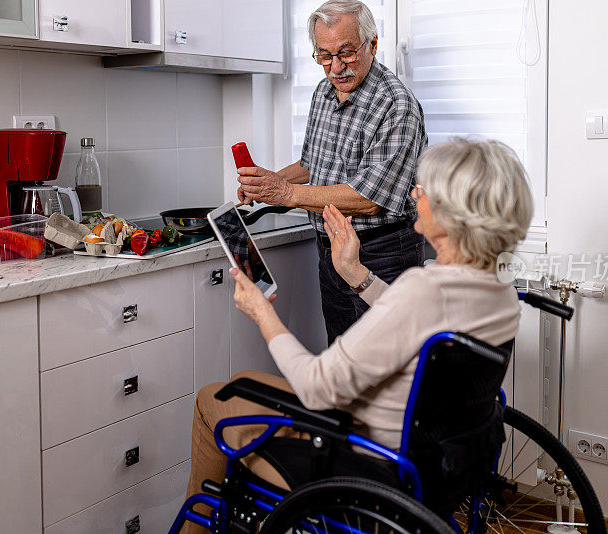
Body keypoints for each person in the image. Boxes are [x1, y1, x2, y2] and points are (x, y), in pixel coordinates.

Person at [182, 138, 535, 533]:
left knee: (211, 399)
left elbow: (317, 387)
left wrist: (263, 313)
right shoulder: (496, 288)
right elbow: (419, 321)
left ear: (454, 213)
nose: (413, 193)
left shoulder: (424, 289)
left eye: (423, 188)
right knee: (240, 383)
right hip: (444, 462)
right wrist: (354, 272)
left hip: (364, 458)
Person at [236, 0, 428, 343]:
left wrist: (284, 193)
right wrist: (265, 183)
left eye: (346, 52)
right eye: (324, 55)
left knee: (383, 369)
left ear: (372, 44)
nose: (336, 67)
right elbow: (311, 165)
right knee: (342, 359)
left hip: (382, 254)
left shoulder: (397, 104)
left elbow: (369, 199)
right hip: (329, 250)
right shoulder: (324, 93)